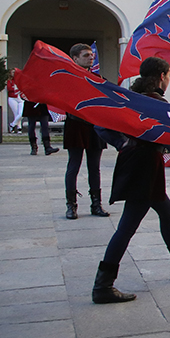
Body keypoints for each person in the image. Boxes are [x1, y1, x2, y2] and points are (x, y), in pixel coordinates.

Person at [90, 56, 170, 304]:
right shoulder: (153, 103)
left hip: (142, 164)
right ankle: (103, 284)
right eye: (169, 76)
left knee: (166, 210)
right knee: (127, 226)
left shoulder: (132, 98)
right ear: (162, 76)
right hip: (143, 167)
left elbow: (103, 122)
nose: (168, 80)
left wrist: (123, 143)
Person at [63, 43, 110, 219]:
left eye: (92, 55)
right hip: (75, 125)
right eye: (86, 55)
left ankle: (96, 204)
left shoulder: (97, 77)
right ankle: (71, 205)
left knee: (94, 167)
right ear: (75, 58)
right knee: (73, 166)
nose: (91, 57)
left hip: (94, 126)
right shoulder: (67, 78)